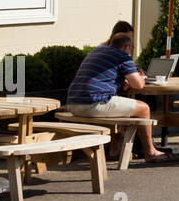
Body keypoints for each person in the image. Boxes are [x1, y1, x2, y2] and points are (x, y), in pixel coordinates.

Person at [64, 22, 166, 163]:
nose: (131, 51)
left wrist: (121, 82)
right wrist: (141, 77)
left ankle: (114, 151)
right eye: (132, 47)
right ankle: (150, 151)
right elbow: (138, 85)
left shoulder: (98, 50)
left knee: (115, 101)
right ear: (126, 46)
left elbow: (104, 79)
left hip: (73, 104)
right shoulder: (122, 55)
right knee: (144, 109)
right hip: (92, 104)